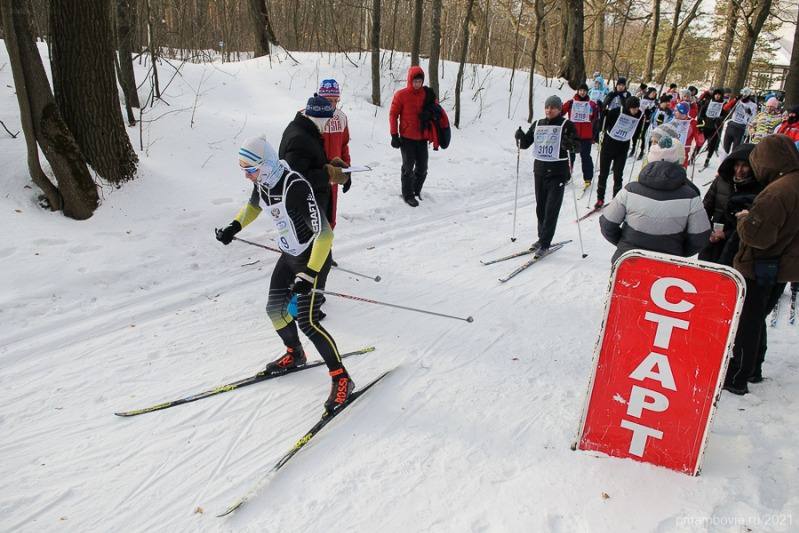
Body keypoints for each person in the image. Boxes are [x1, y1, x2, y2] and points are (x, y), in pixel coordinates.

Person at [215, 136, 355, 412]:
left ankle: (342, 379)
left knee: (308, 321)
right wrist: (234, 226)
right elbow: (253, 207)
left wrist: (310, 274)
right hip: (289, 255)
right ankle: (296, 354)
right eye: (243, 170)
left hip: (312, 257)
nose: (247, 176)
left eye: (251, 169)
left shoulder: (295, 187)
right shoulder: (263, 183)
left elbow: (325, 235)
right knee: (275, 310)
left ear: (266, 165)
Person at [725, 134, 799, 394]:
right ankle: (753, 367)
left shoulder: (777, 192)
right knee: (757, 318)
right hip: (781, 265)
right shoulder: (791, 183)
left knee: (748, 321)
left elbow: (759, 237)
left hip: (762, 265)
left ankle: (737, 375)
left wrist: (744, 219)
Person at [599, 136, 710, 263]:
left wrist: (625, 243)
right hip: (667, 265)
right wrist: (678, 251)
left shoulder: (630, 190)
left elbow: (607, 224)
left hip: (628, 262)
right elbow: (700, 236)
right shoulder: (691, 196)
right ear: (678, 163)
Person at [515, 95, 577, 255]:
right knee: (540, 208)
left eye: (553, 107)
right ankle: (541, 237)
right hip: (540, 171)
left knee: (551, 208)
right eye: (547, 107)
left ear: (559, 109)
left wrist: (570, 144)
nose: (549, 110)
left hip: (558, 172)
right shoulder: (538, 124)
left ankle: (545, 243)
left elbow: (578, 147)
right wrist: (520, 138)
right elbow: (526, 143)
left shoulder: (567, 125)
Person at [280, 95, 350, 215]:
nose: (327, 124)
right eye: (327, 121)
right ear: (320, 118)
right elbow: (297, 178)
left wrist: (330, 163)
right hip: (304, 211)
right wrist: (330, 174)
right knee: (324, 235)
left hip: (312, 206)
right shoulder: (299, 138)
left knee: (326, 234)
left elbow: (309, 161)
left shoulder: (306, 130)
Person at [698, 144, 760, 264]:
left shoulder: (758, 188)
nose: (739, 170)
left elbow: (754, 223)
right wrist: (708, 231)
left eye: (745, 166)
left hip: (736, 245)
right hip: (712, 240)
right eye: (737, 165)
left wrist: (726, 234)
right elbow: (705, 208)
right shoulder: (721, 181)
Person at [389, 66, 441, 207]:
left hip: (422, 138)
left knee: (422, 167)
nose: (417, 84)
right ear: (410, 80)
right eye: (415, 81)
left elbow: (437, 110)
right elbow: (393, 115)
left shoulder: (427, 94)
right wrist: (394, 134)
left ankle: (416, 190)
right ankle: (408, 195)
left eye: (420, 81)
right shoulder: (401, 95)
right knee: (408, 166)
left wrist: (429, 114)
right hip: (407, 138)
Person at [594, 96, 643, 208]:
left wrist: (647, 119)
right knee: (603, 174)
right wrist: (603, 114)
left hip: (623, 147)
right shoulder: (616, 112)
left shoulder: (639, 115)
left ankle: (616, 199)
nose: (635, 111)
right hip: (608, 145)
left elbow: (639, 131)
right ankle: (600, 198)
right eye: (633, 108)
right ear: (628, 107)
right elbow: (602, 126)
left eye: (637, 108)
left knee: (618, 174)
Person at [316, 79, 351, 231]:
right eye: (328, 100)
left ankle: (326, 250)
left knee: (330, 218)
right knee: (314, 216)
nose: (332, 104)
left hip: (334, 175)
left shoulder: (341, 118)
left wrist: (347, 172)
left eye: (335, 100)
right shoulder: (309, 115)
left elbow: (344, 147)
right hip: (315, 174)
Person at [562, 83, 598, 189]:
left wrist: (594, 135)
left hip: (586, 136)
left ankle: (588, 178)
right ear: (577, 91)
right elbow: (561, 112)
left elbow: (596, 120)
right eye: (580, 90)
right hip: (573, 135)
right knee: (570, 157)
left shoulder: (591, 104)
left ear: (587, 92)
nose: (582, 92)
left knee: (585, 157)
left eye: (584, 91)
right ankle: (567, 176)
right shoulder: (571, 103)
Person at [697, 88, 727, 168]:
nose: (717, 96)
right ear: (714, 95)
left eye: (719, 95)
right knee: (700, 142)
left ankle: (707, 159)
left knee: (712, 145)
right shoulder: (708, 102)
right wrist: (701, 121)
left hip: (715, 127)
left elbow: (725, 115)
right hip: (705, 126)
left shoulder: (723, 104)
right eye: (716, 94)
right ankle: (694, 156)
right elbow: (701, 113)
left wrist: (720, 118)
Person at [722, 87, 757, 153]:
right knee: (725, 150)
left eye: (745, 95)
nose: (743, 97)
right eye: (742, 95)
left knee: (735, 151)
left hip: (741, 129)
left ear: (748, 96)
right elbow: (725, 108)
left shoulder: (753, 105)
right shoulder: (737, 101)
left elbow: (753, 119)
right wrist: (735, 99)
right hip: (731, 126)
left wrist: (749, 113)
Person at [671, 101, 703, 168]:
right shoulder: (673, 119)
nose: (674, 113)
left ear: (683, 112)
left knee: (679, 175)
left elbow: (700, 142)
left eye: (676, 111)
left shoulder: (692, 123)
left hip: (682, 155)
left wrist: (700, 131)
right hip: (669, 153)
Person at [630, 87, 659, 159]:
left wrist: (650, 112)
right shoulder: (643, 99)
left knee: (643, 135)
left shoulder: (655, 102)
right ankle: (633, 148)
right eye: (652, 93)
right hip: (639, 119)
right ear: (649, 93)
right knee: (635, 134)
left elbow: (655, 111)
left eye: (655, 93)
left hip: (647, 121)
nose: (653, 94)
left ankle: (642, 151)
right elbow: (638, 107)